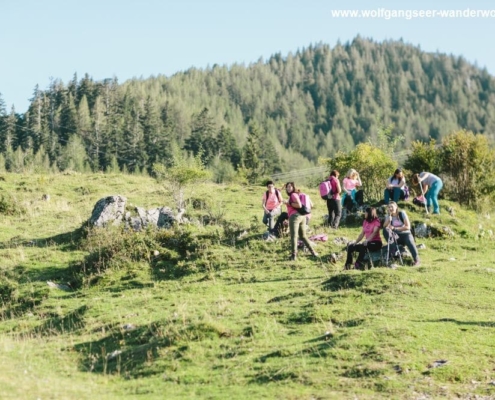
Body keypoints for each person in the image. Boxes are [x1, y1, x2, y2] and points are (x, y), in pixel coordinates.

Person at [284, 182, 318, 260]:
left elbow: (299, 205)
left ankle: (294, 255)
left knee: (294, 236)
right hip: (302, 216)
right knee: (303, 236)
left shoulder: (293, 195)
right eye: (287, 187)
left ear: (293, 187)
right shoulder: (296, 195)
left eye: (290, 187)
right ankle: (313, 252)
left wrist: (288, 203)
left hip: (295, 217)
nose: (288, 188)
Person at [382, 201, 420, 266]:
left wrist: (395, 228)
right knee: (385, 230)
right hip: (395, 236)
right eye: (389, 207)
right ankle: (394, 250)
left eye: (392, 207)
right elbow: (384, 227)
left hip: (405, 234)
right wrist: (388, 220)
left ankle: (416, 260)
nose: (390, 208)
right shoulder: (388, 216)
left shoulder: (402, 213)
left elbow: (408, 227)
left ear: (396, 207)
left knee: (410, 241)